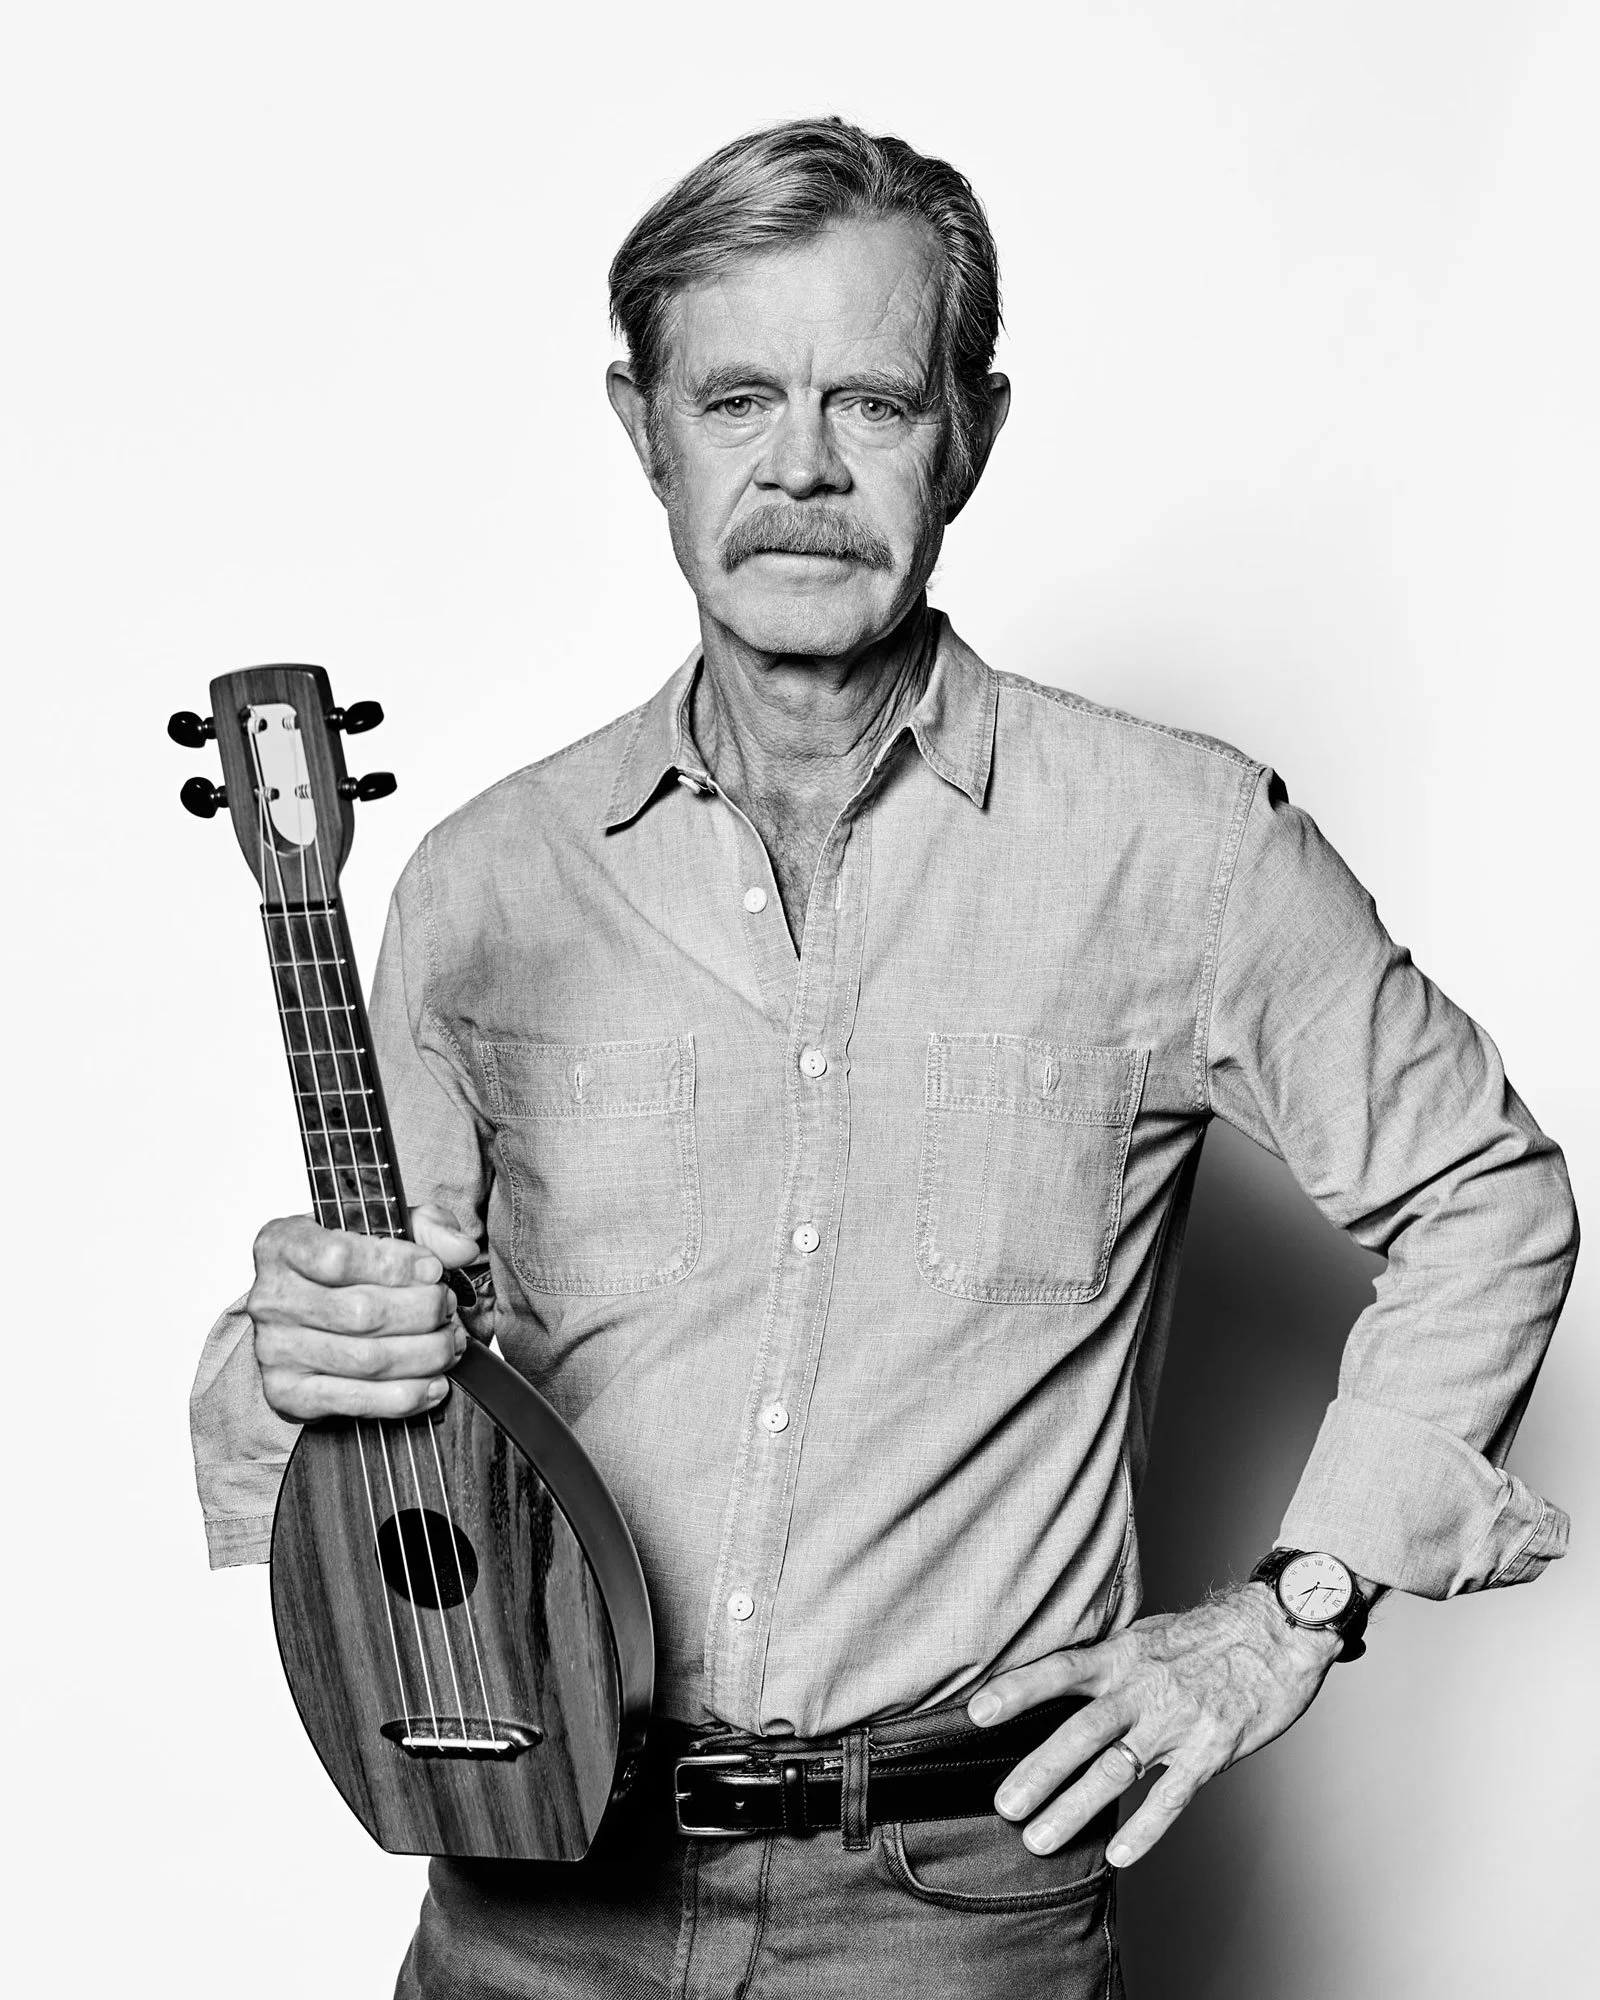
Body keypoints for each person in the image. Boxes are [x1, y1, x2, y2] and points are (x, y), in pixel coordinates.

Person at [190, 118, 1577, 1999]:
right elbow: (410, 1410)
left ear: (973, 431)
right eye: (739, 396)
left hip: (958, 1912)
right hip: (530, 1889)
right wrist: (284, 1353)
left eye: (875, 400)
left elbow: (1486, 1191)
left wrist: (1288, 1612)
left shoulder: (1181, 848)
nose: (805, 471)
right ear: (642, 427)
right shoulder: (481, 884)